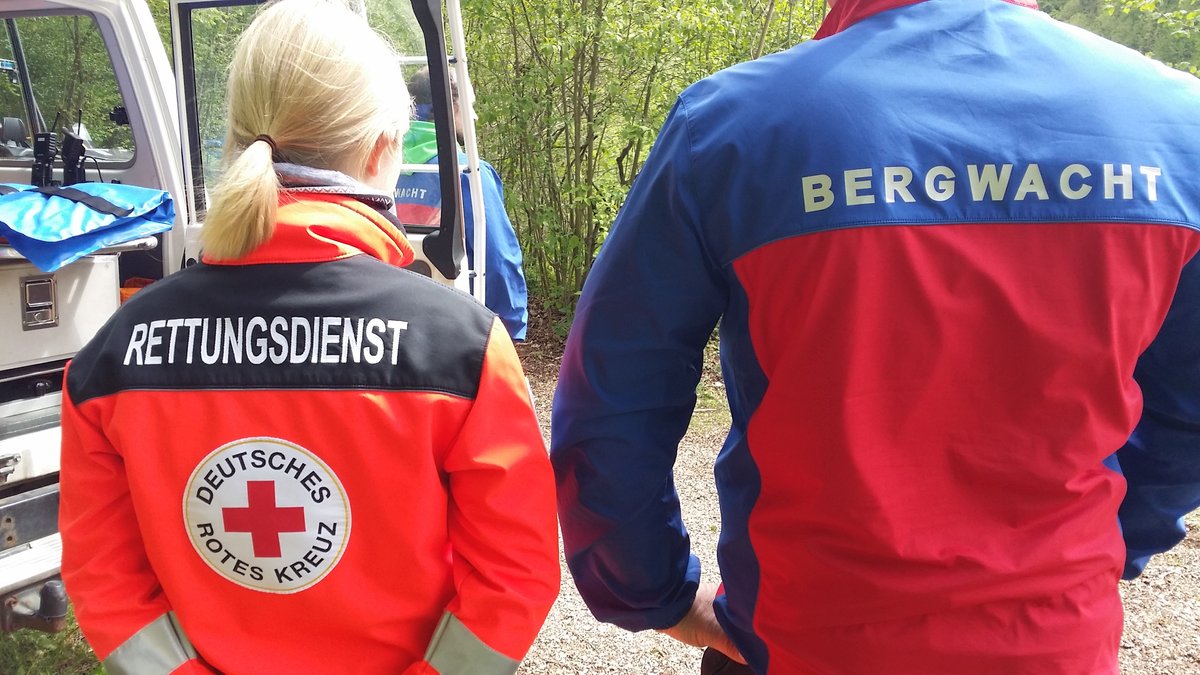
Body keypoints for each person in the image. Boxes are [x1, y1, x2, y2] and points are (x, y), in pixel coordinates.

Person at [550, 0, 1200, 673]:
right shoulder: (1178, 127)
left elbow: (614, 395)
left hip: (798, 638)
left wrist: (651, 591)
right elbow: (1189, 416)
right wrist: (1098, 548)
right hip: (1056, 641)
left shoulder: (736, 125)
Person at [58, 2, 558, 673]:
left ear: (236, 140)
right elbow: (514, 574)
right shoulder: (461, 348)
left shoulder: (113, 355)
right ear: (383, 147)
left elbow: (102, 576)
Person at [394, 67, 529, 342]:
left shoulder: (379, 168)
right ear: (452, 106)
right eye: (470, 106)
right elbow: (497, 259)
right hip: (454, 328)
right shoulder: (468, 174)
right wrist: (510, 328)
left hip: (389, 323)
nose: (475, 116)